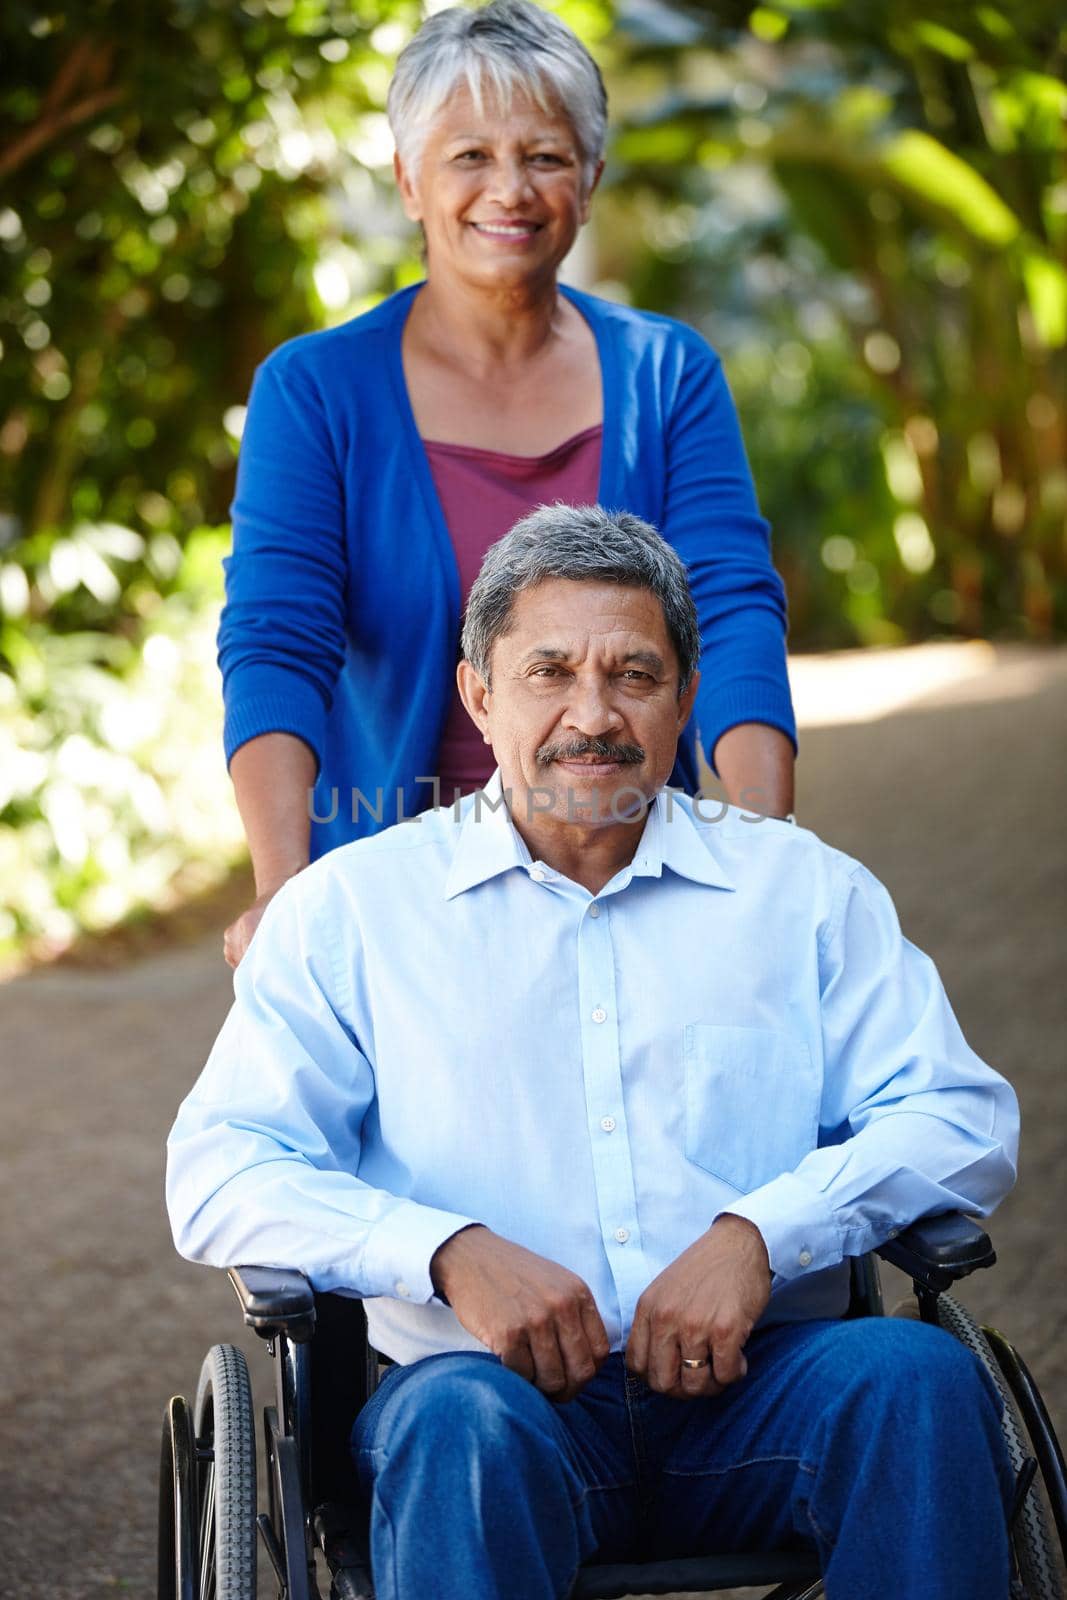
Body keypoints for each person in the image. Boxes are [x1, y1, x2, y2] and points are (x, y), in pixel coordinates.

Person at [170, 505, 1019, 1600]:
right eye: (548, 672)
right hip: (488, 1411)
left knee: (915, 1379)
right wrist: (445, 1251)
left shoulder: (802, 893)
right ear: (478, 694)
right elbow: (221, 1165)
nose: (592, 713)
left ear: (684, 696)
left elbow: (954, 1114)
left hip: (765, 1393)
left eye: (632, 674)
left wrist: (760, 1235)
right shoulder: (354, 912)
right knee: (455, 1421)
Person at [220, 0, 797, 968]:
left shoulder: (669, 374)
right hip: (394, 886)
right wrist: (284, 896)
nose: (510, 190)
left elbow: (731, 612)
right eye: (467, 157)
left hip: (633, 874)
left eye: (543, 155)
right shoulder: (314, 390)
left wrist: (769, 857)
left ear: (591, 177)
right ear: (408, 180)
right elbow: (278, 641)